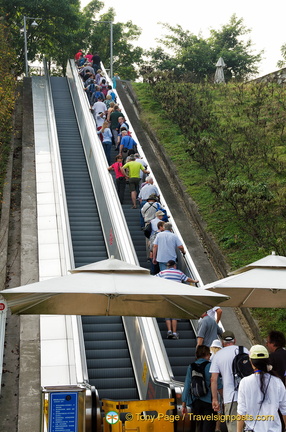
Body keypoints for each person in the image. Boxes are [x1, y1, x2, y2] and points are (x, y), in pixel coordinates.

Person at [237, 344, 286, 432]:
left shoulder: (245, 382)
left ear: (251, 361)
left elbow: (241, 411)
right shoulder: (277, 382)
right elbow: (284, 409)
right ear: (267, 361)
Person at [210, 331, 249, 432]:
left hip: (230, 398)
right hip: (249, 396)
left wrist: (215, 399)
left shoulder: (218, 355)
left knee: (233, 426)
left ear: (222, 342)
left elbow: (213, 379)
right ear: (234, 340)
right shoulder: (244, 350)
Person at [156, 260, 199, 339]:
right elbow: (187, 279)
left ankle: (169, 331)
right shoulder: (178, 273)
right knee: (174, 315)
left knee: (167, 314)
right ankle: (175, 333)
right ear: (174, 265)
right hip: (176, 296)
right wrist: (194, 281)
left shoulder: (162, 272)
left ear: (167, 266)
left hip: (166, 296)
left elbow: (154, 278)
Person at [182, 345, 220, 432]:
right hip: (209, 402)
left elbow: (187, 385)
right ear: (206, 354)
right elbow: (218, 384)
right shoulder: (211, 366)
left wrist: (184, 404)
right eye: (209, 354)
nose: (210, 356)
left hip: (196, 401)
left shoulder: (191, 366)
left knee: (198, 426)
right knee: (208, 426)